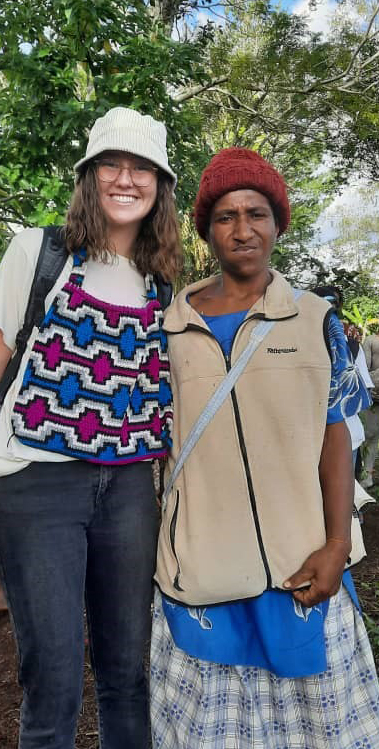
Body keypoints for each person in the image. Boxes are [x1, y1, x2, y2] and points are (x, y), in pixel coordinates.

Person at [0, 106, 181, 749]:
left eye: (142, 168)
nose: (126, 179)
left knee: (125, 675)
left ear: (159, 187)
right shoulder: (40, 252)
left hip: (130, 490)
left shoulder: (160, 283)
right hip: (36, 488)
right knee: (53, 683)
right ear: (89, 175)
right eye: (112, 163)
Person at [150, 147, 379, 749]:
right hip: (202, 578)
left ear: (279, 223)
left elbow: (337, 439)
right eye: (225, 216)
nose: (242, 229)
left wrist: (336, 544)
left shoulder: (316, 320)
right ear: (206, 231)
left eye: (257, 213)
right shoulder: (167, 327)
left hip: (301, 571)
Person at [312, 285, 374, 473]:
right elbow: (365, 392)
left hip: (312, 439)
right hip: (346, 435)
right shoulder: (351, 343)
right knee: (341, 498)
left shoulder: (296, 341)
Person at [362, 331, 379, 487]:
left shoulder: (371, 341)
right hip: (372, 395)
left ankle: (366, 474)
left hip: (373, 392)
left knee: (371, 437)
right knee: (370, 437)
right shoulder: (371, 340)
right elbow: (365, 367)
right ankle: (365, 474)